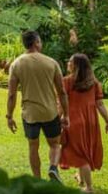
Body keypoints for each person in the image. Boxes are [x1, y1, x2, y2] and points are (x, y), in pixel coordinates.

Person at [6, 30, 70, 182]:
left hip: (30, 114)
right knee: (55, 144)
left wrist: (9, 116)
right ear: (36, 43)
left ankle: (37, 180)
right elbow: (62, 92)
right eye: (40, 41)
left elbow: (12, 94)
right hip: (50, 112)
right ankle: (53, 168)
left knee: (33, 146)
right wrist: (66, 114)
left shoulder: (16, 64)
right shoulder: (51, 63)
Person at [60, 53, 108, 193]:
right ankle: (81, 178)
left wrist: (58, 118)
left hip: (74, 121)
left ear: (76, 66)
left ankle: (89, 187)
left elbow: (62, 103)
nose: (68, 64)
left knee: (80, 154)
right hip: (91, 122)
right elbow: (100, 104)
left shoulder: (66, 81)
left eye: (70, 62)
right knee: (83, 150)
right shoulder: (94, 83)